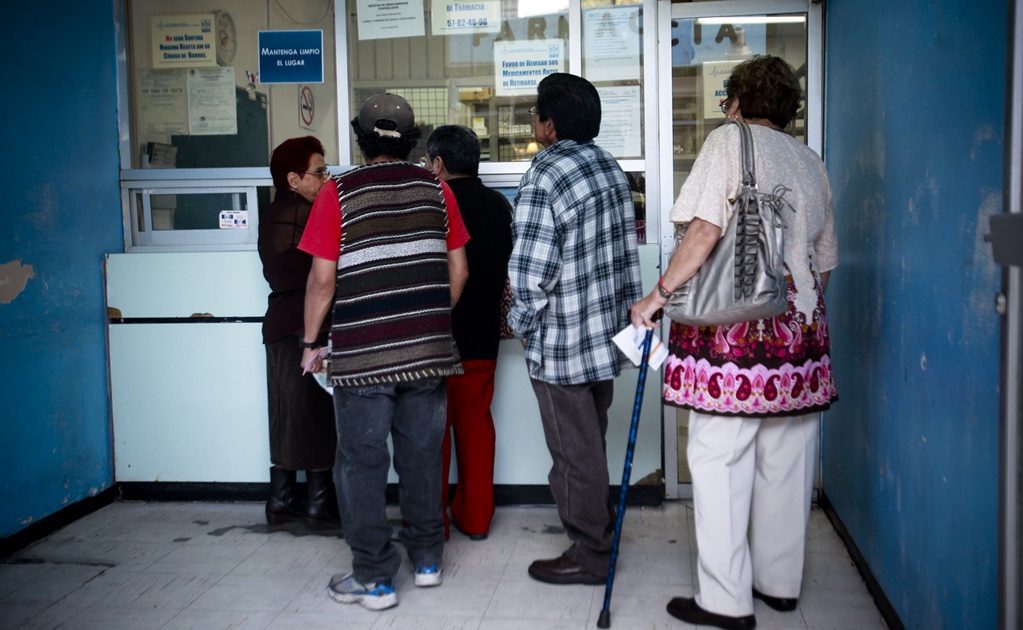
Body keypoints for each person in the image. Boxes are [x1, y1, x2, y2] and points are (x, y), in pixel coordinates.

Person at [630, 55, 839, 630]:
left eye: (728, 98)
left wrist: (658, 295)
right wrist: (794, 316)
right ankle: (779, 585)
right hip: (801, 328)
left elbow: (704, 228)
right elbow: (824, 263)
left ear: (739, 101)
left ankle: (725, 600)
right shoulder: (810, 161)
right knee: (788, 460)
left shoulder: (731, 140)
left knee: (720, 457)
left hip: (736, 333)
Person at [298, 93, 470, 611]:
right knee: (421, 455)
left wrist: (310, 343)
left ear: (361, 136)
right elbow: (459, 271)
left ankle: (373, 578)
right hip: (428, 349)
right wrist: (430, 319)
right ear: (412, 140)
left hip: (364, 353)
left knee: (362, 462)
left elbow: (322, 281)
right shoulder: (437, 189)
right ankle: (426, 562)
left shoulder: (339, 192)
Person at [509, 73, 643, 585]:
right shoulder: (607, 166)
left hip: (563, 343)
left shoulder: (545, 174)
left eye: (536, 116)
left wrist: (522, 323)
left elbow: (530, 272)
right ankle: (599, 530)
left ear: (547, 125)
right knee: (591, 442)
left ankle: (590, 553)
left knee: (573, 453)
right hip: (604, 336)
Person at [424, 125, 513, 542]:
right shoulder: (498, 205)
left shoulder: (433, 201)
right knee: (475, 426)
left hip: (436, 337)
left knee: (431, 431)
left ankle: (430, 523)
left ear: (439, 163)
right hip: (482, 338)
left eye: (428, 161)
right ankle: (476, 519)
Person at [257, 136, 340, 528]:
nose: (327, 178)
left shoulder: (273, 214)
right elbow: (321, 278)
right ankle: (319, 504)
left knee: (287, 414)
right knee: (317, 414)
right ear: (293, 178)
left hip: (278, 324)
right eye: (319, 171)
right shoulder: (307, 215)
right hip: (307, 325)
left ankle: (281, 499)